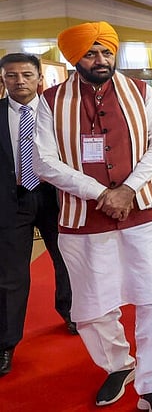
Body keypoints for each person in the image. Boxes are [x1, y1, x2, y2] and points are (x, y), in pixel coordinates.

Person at [33, 22, 152, 411]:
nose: (101, 60)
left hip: (147, 210)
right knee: (92, 306)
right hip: (84, 219)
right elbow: (44, 161)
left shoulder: (142, 92)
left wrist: (128, 189)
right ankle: (118, 363)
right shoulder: (49, 101)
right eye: (91, 53)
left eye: (107, 52)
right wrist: (102, 194)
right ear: (74, 57)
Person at [1, 53, 76, 378]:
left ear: (39, 77)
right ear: (3, 79)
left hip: (53, 197)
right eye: (12, 75)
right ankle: (6, 343)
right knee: (10, 275)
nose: (19, 81)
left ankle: (72, 312)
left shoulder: (56, 113)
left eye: (26, 75)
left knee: (68, 260)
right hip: (10, 201)